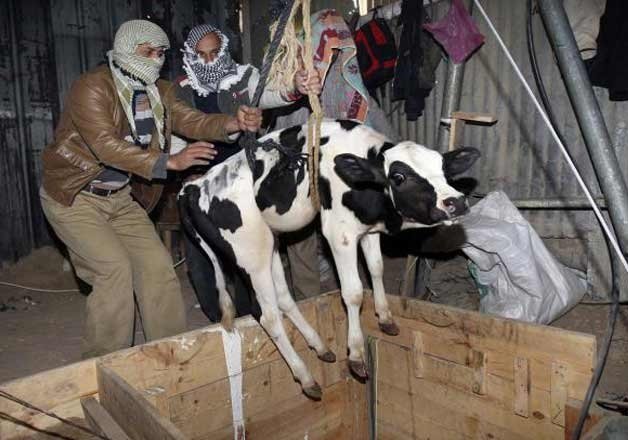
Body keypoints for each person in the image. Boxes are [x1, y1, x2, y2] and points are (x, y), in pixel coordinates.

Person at [39, 19, 263, 358]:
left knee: (158, 269)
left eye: (161, 53)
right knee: (114, 270)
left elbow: (192, 120)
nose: (157, 59)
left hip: (120, 198)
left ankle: (171, 354)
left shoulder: (158, 90)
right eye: (149, 52)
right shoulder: (92, 87)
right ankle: (106, 364)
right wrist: (168, 163)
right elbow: (105, 145)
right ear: (129, 49)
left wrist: (233, 122)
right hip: (76, 196)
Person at [174, 23, 322, 322]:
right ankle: (217, 320)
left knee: (247, 255)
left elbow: (271, 94)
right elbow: (177, 129)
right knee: (201, 259)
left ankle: (251, 317)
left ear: (224, 50)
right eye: (200, 55)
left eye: (215, 53)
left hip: (244, 176)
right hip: (201, 179)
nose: (209, 61)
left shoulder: (245, 77)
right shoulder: (180, 89)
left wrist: (295, 85)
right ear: (190, 55)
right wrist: (181, 165)